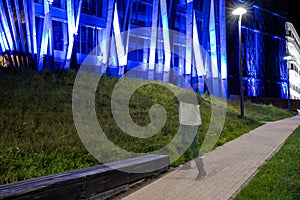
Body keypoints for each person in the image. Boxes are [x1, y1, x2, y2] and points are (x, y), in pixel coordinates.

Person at [178, 88, 207, 180]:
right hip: (183, 123)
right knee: (183, 143)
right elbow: (175, 99)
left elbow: (200, 101)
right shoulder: (181, 96)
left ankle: (202, 171)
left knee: (193, 146)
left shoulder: (195, 98)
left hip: (193, 124)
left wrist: (191, 94)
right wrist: (183, 93)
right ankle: (187, 163)